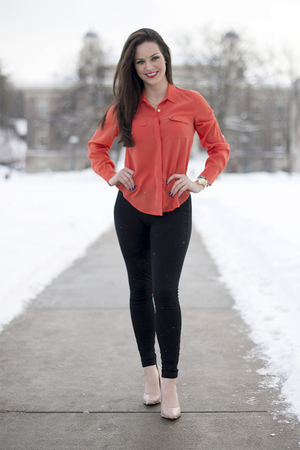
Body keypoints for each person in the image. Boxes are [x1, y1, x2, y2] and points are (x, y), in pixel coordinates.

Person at [88, 28, 230, 420]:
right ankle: (148, 374)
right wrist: (111, 173)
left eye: (154, 57)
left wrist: (200, 181)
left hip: (174, 207)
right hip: (131, 208)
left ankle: (170, 382)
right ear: (131, 67)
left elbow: (219, 147)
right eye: (139, 61)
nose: (149, 67)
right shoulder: (124, 106)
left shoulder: (190, 102)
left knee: (166, 292)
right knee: (140, 290)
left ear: (165, 57)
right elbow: (97, 147)